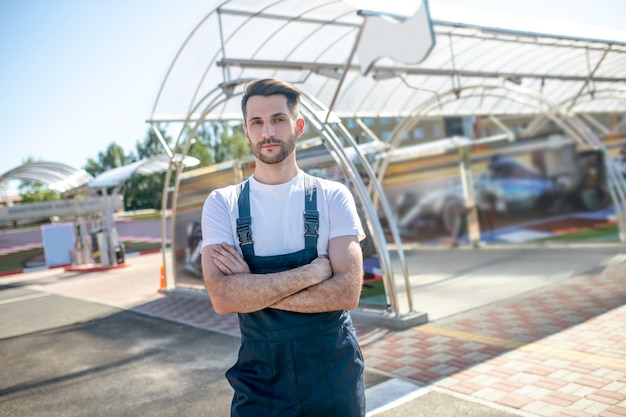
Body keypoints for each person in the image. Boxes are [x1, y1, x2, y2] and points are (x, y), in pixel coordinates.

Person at [200, 78, 366, 417]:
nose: (267, 131)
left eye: (278, 119)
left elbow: (346, 293)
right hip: (260, 380)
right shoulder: (223, 204)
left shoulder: (332, 196)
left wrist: (252, 289)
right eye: (257, 122)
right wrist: (314, 272)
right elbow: (223, 297)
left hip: (333, 373)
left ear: (298, 126)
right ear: (246, 132)